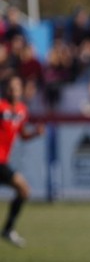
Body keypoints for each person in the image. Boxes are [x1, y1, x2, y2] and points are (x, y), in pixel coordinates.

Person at [0, 76, 44, 248]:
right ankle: (8, 229)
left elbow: (23, 135)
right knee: (24, 189)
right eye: (11, 88)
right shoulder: (1, 107)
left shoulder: (21, 111)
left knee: (23, 191)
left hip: (3, 161)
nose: (14, 91)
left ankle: (8, 229)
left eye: (17, 88)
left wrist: (35, 133)